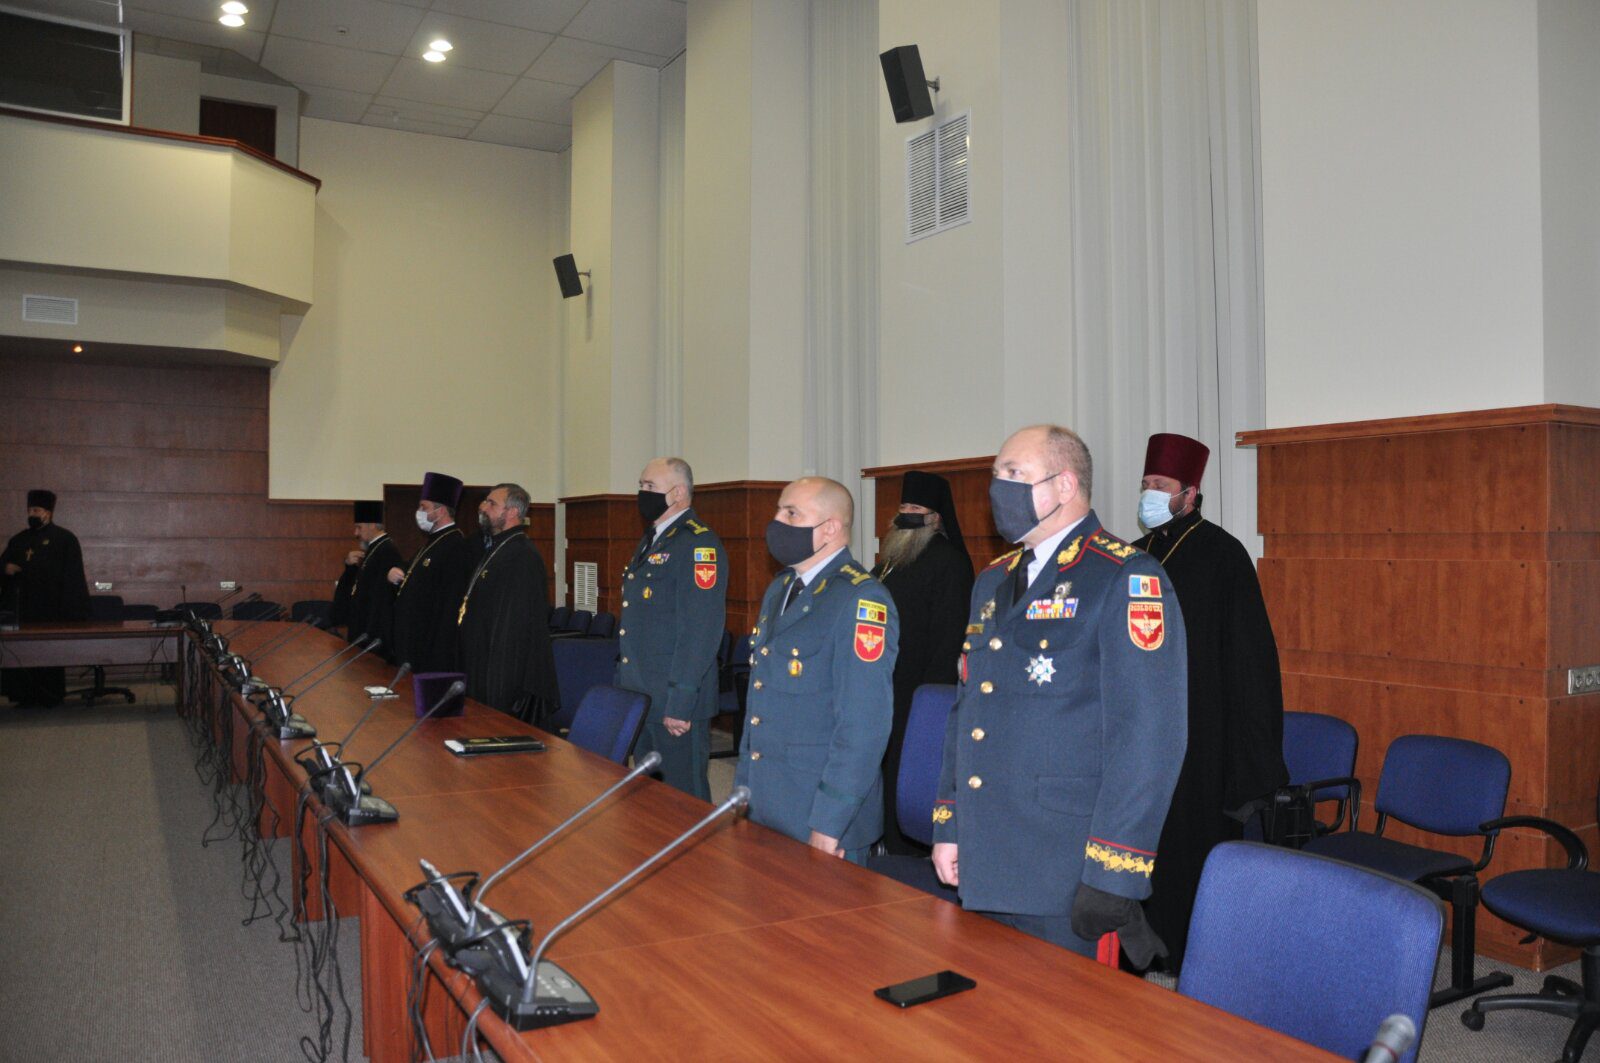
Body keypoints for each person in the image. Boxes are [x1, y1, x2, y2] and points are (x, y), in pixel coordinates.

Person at [931, 425, 1187, 965]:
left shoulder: (1125, 577)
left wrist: (1114, 873)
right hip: (987, 852)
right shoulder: (992, 580)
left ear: (1065, 485)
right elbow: (968, 712)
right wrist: (951, 824)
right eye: (996, 475)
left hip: (1065, 869)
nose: (997, 488)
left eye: (1014, 474)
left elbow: (1148, 738)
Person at [1133, 431, 1288, 974]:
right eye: (1147, 483)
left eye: (1161, 484)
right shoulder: (1136, 556)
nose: (1150, 493)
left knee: (1191, 848)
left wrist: (1252, 759)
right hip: (1142, 732)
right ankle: (1138, 947)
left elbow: (1251, 661)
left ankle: (1194, 959)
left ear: (1190, 493)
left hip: (1203, 734)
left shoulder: (1224, 555)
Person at [735, 477, 897, 861]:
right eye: (779, 510)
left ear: (830, 528)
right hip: (767, 798)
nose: (777, 521)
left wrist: (829, 822)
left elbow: (863, 725)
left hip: (818, 814)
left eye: (791, 513)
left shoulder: (861, 599)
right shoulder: (781, 588)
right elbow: (760, 705)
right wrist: (743, 789)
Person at [872, 470, 973, 853]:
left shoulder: (950, 562)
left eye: (916, 508)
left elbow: (950, 638)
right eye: (904, 506)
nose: (907, 514)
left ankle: (904, 852)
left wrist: (926, 701)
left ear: (935, 517)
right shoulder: (890, 560)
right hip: (884, 683)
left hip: (917, 689)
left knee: (904, 770)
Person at [616, 457, 727, 799]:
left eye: (650, 486)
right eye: (641, 485)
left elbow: (700, 631)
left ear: (678, 493)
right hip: (644, 693)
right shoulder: (654, 538)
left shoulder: (697, 544)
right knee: (649, 798)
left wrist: (681, 701)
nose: (642, 492)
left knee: (684, 800)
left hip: (673, 700)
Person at [457, 483, 558, 723]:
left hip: (503, 674)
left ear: (512, 512)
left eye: (491, 503)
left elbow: (514, 628)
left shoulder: (521, 556)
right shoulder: (497, 548)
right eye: (485, 501)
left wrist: (498, 686)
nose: (483, 507)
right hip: (481, 661)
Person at [1, 490, 90, 706]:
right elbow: (4, 565)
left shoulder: (64, 539)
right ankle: (23, 696)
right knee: (22, 653)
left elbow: (71, 577)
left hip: (51, 609)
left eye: (36, 510)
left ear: (48, 513)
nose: (32, 514)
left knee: (47, 653)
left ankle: (50, 696)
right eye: (29, 510)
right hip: (22, 608)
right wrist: (6, 568)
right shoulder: (19, 540)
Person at [387, 473, 470, 673]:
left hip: (429, 646)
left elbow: (449, 605)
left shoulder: (456, 545)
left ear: (440, 511)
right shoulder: (432, 542)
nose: (419, 512)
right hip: (412, 640)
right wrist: (397, 573)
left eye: (424, 507)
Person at [329, 500, 401, 649]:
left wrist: (371, 632)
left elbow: (383, 598)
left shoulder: (387, 550)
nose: (356, 533)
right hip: (362, 628)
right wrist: (350, 567)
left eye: (359, 527)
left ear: (372, 525)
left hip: (372, 633)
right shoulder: (374, 550)